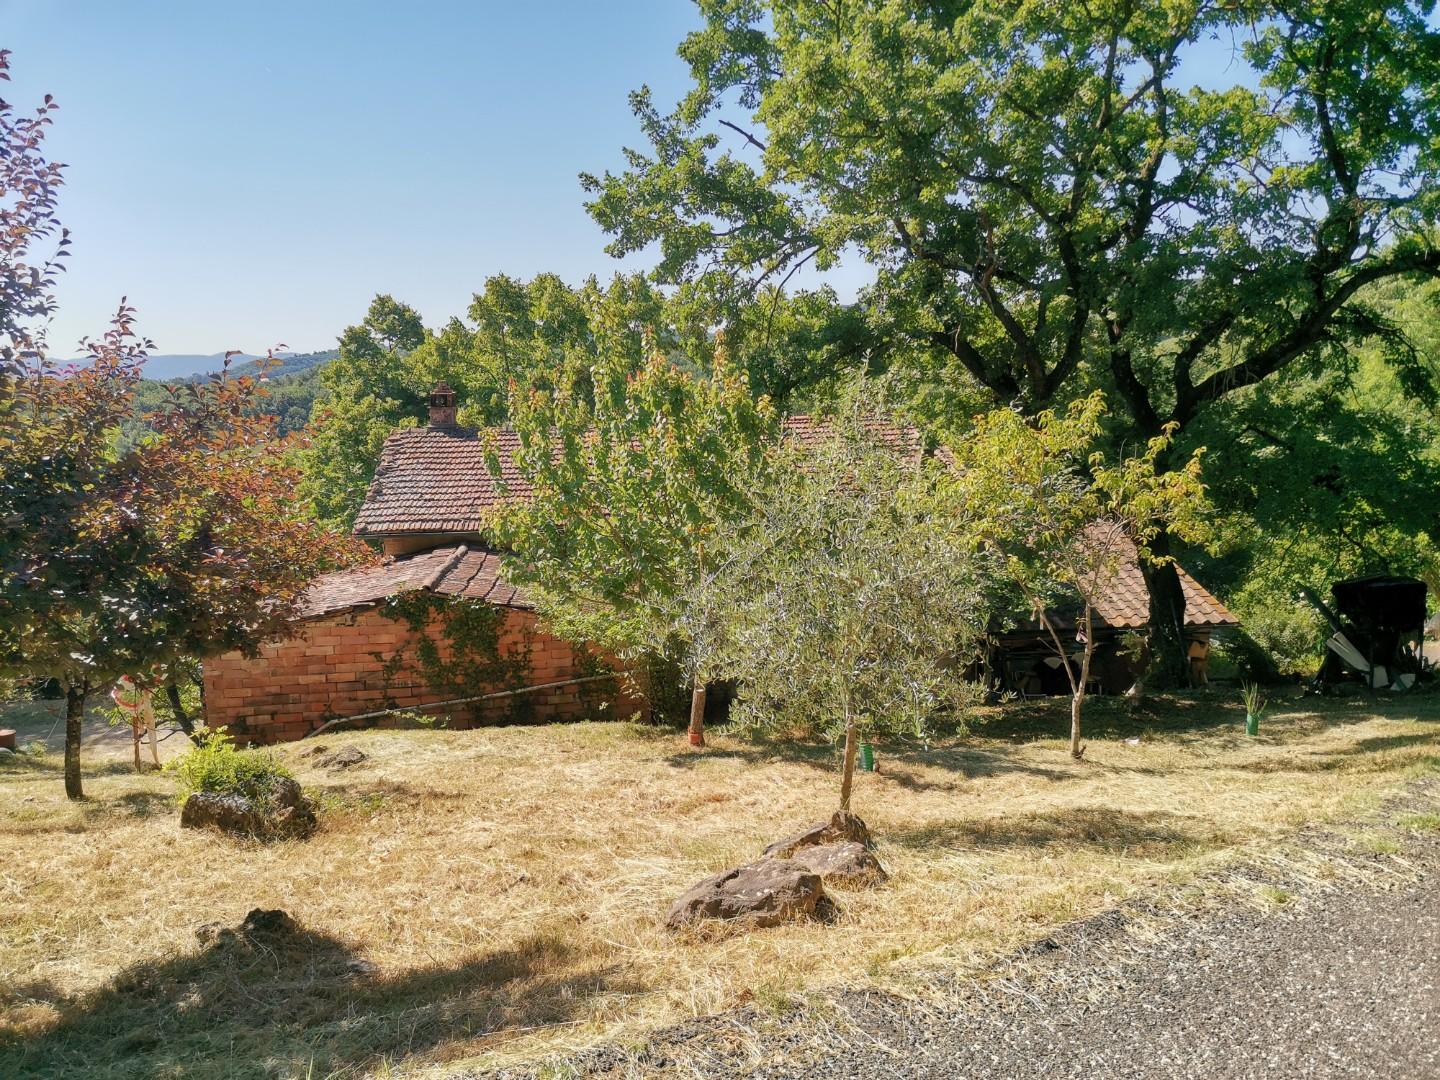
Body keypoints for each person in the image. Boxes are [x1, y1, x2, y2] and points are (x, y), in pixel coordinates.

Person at [111, 675, 160, 771]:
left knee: (147, 720)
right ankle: (149, 763)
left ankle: (155, 763)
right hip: (136, 698)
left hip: (139, 698)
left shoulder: (143, 694)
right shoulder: (127, 685)